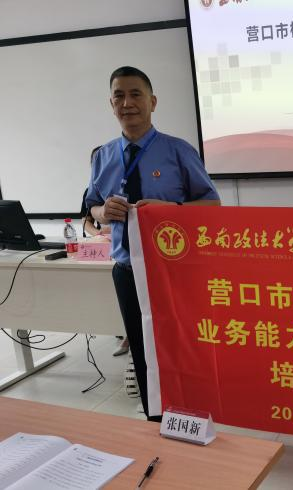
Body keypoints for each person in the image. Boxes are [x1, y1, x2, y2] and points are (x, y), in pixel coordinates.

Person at [85, 66, 220, 421]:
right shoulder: (103, 156)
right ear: (111, 104)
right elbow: (90, 208)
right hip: (127, 271)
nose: (127, 103)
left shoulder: (178, 151)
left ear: (153, 101)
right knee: (142, 348)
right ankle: (154, 420)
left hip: (174, 271)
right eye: (119, 96)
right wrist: (102, 211)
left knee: (184, 347)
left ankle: (193, 418)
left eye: (136, 94)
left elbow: (212, 205)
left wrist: (170, 210)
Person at [82, 146, 130, 356]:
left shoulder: (123, 185)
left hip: (124, 247)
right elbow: (86, 220)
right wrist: (98, 233)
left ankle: (129, 334)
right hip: (103, 244)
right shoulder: (91, 190)